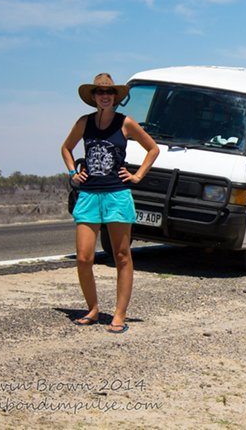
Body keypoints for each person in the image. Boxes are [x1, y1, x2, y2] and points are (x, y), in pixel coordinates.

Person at [61, 73, 160, 334]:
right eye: (99, 92)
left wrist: (137, 175)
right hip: (89, 195)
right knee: (84, 257)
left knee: (121, 255)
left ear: (115, 97)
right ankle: (92, 309)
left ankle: (119, 314)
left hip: (117, 194)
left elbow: (153, 149)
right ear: (93, 97)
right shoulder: (84, 123)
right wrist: (74, 173)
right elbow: (66, 148)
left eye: (109, 92)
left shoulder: (125, 123)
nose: (104, 96)